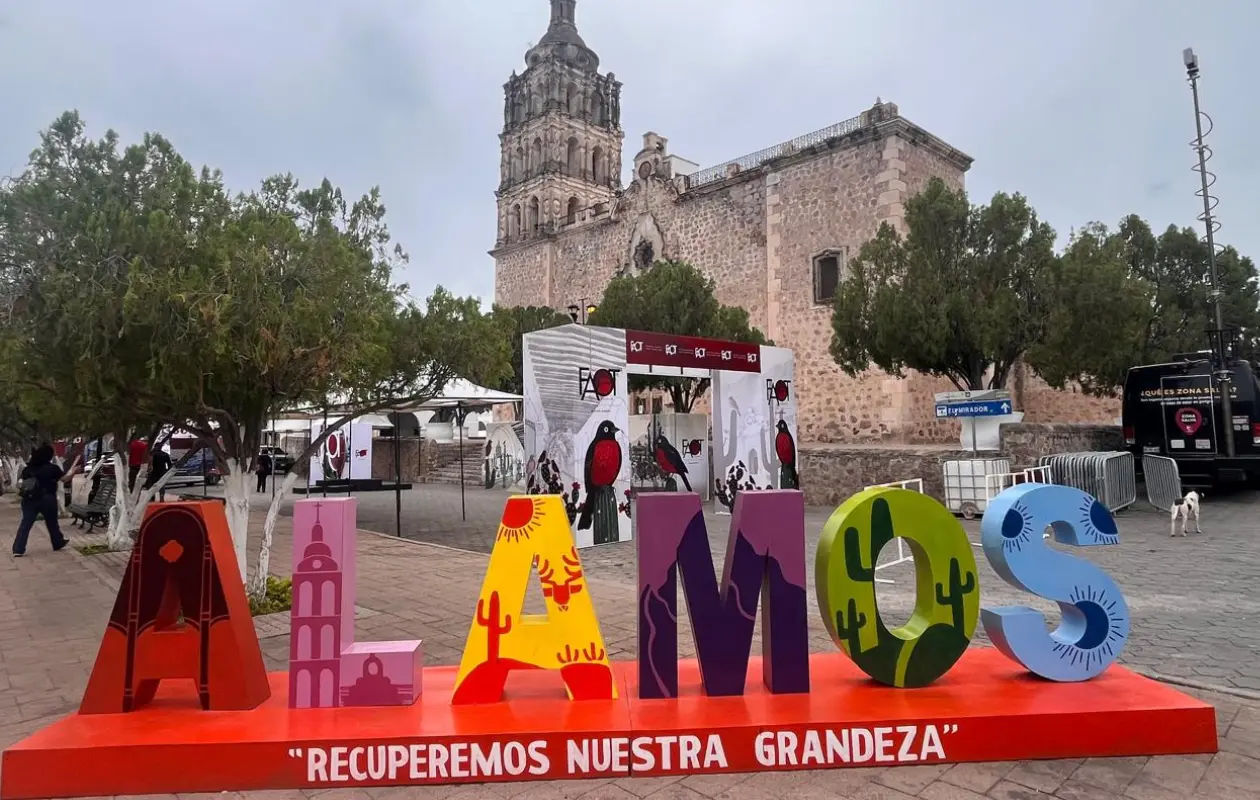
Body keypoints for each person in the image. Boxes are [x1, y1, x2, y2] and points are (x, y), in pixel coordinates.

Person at [13, 445, 80, 557]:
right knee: (52, 522)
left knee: (26, 523)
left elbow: (21, 483)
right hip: (47, 499)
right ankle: (57, 542)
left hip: (29, 499)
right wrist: (73, 472)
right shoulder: (52, 468)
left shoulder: (28, 468)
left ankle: (18, 549)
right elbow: (64, 480)